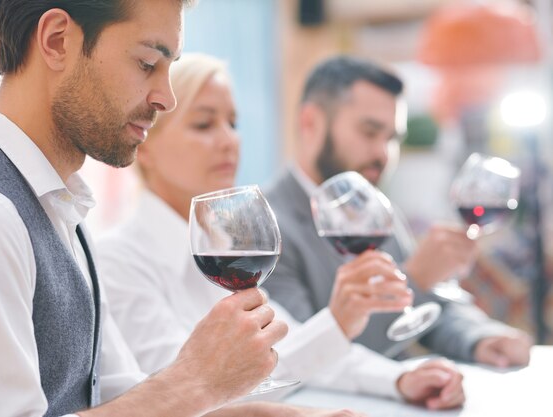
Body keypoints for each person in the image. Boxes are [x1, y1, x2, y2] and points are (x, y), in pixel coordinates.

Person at [0, 2, 365, 416]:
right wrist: (196, 380)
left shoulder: (62, 215)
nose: (166, 98)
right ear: (58, 40)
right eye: (146, 64)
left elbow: (126, 398)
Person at [97, 52, 465, 411]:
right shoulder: (119, 261)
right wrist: (337, 322)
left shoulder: (225, 248)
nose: (229, 141)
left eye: (233, 123)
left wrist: (398, 380)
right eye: (204, 124)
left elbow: (294, 343)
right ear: (143, 144)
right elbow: (191, 394)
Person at [261, 54, 533, 367]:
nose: (383, 153)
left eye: (392, 139)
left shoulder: (375, 211)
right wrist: (414, 279)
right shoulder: (268, 230)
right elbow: (307, 357)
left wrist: (481, 337)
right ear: (310, 122)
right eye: (369, 132)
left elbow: (432, 307)